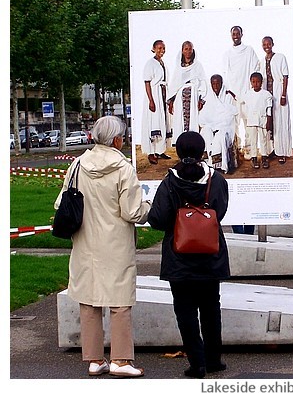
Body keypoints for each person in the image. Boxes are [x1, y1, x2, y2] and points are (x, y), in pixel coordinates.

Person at [54, 115, 151, 377]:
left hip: (85, 242)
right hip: (116, 243)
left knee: (89, 299)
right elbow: (132, 212)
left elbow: (60, 203)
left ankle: (95, 360)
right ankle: (120, 360)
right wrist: (149, 207)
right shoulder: (124, 168)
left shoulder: (77, 164)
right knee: (119, 302)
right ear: (118, 139)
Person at [147, 131, 230, 378]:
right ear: (203, 151)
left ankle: (197, 364)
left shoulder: (169, 182)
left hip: (179, 256)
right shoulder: (217, 180)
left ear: (179, 152)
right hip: (210, 253)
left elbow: (158, 219)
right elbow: (220, 212)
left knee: (185, 310)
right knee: (211, 307)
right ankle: (214, 359)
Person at [223, 26, 260, 160]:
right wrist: (229, 91)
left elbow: (256, 68)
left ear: (242, 34)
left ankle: (249, 149)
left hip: (247, 91)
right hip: (233, 93)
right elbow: (225, 73)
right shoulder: (227, 53)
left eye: (238, 33)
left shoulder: (249, 50)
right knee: (234, 123)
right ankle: (236, 149)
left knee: (249, 123)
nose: (236, 36)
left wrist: (251, 89)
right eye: (233, 34)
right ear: (231, 35)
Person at [167, 40, 207, 145]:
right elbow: (174, 85)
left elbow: (203, 82)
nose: (188, 51)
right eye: (186, 49)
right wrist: (171, 101)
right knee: (180, 123)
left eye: (190, 49)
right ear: (182, 51)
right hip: (180, 99)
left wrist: (201, 99)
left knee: (193, 122)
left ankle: (193, 146)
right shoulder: (178, 68)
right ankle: (182, 147)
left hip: (193, 97)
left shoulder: (198, 66)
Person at [260, 36, 292, 164]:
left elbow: (285, 77)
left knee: (281, 123)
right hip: (268, 95)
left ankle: (282, 152)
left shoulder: (280, 57)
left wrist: (283, 95)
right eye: (264, 44)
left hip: (279, 93)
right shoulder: (261, 61)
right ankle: (272, 150)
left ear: (273, 44)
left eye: (268, 43)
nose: (266, 46)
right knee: (270, 124)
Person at [198, 74, 237, 174]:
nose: (215, 86)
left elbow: (231, 114)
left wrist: (218, 125)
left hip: (224, 126)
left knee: (220, 135)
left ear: (222, 83)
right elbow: (204, 116)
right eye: (213, 83)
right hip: (212, 125)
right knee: (205, 131)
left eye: (217, 83)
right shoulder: (209, 97)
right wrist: (212, 125)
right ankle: (207, 162)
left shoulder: (228, 96)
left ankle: (219, 164)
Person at [141, 40, 172, 165]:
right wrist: (151, 100)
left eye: (163, 48)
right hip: (155, 94)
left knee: (162, 122)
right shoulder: (150, 63)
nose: (161, 51)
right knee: (153, 122)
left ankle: (160, 150)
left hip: (163, 95)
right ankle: (151, 152)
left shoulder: (162, 63)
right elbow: (147, 82)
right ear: (153, 48)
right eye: (159, 48)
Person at [237, 72, 273, 169]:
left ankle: (264, 157)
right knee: (252, 140)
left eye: (258, 82)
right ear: (251, 83)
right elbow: (239, 100)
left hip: (262, 120)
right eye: (253, 82)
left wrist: (269, 121)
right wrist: (231, 93)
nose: (255, 84)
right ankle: (254, 158)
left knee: (263, 139)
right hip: (252, 120)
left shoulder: (266, 94)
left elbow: (269, 108)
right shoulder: (248, 94)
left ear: (261, 82)